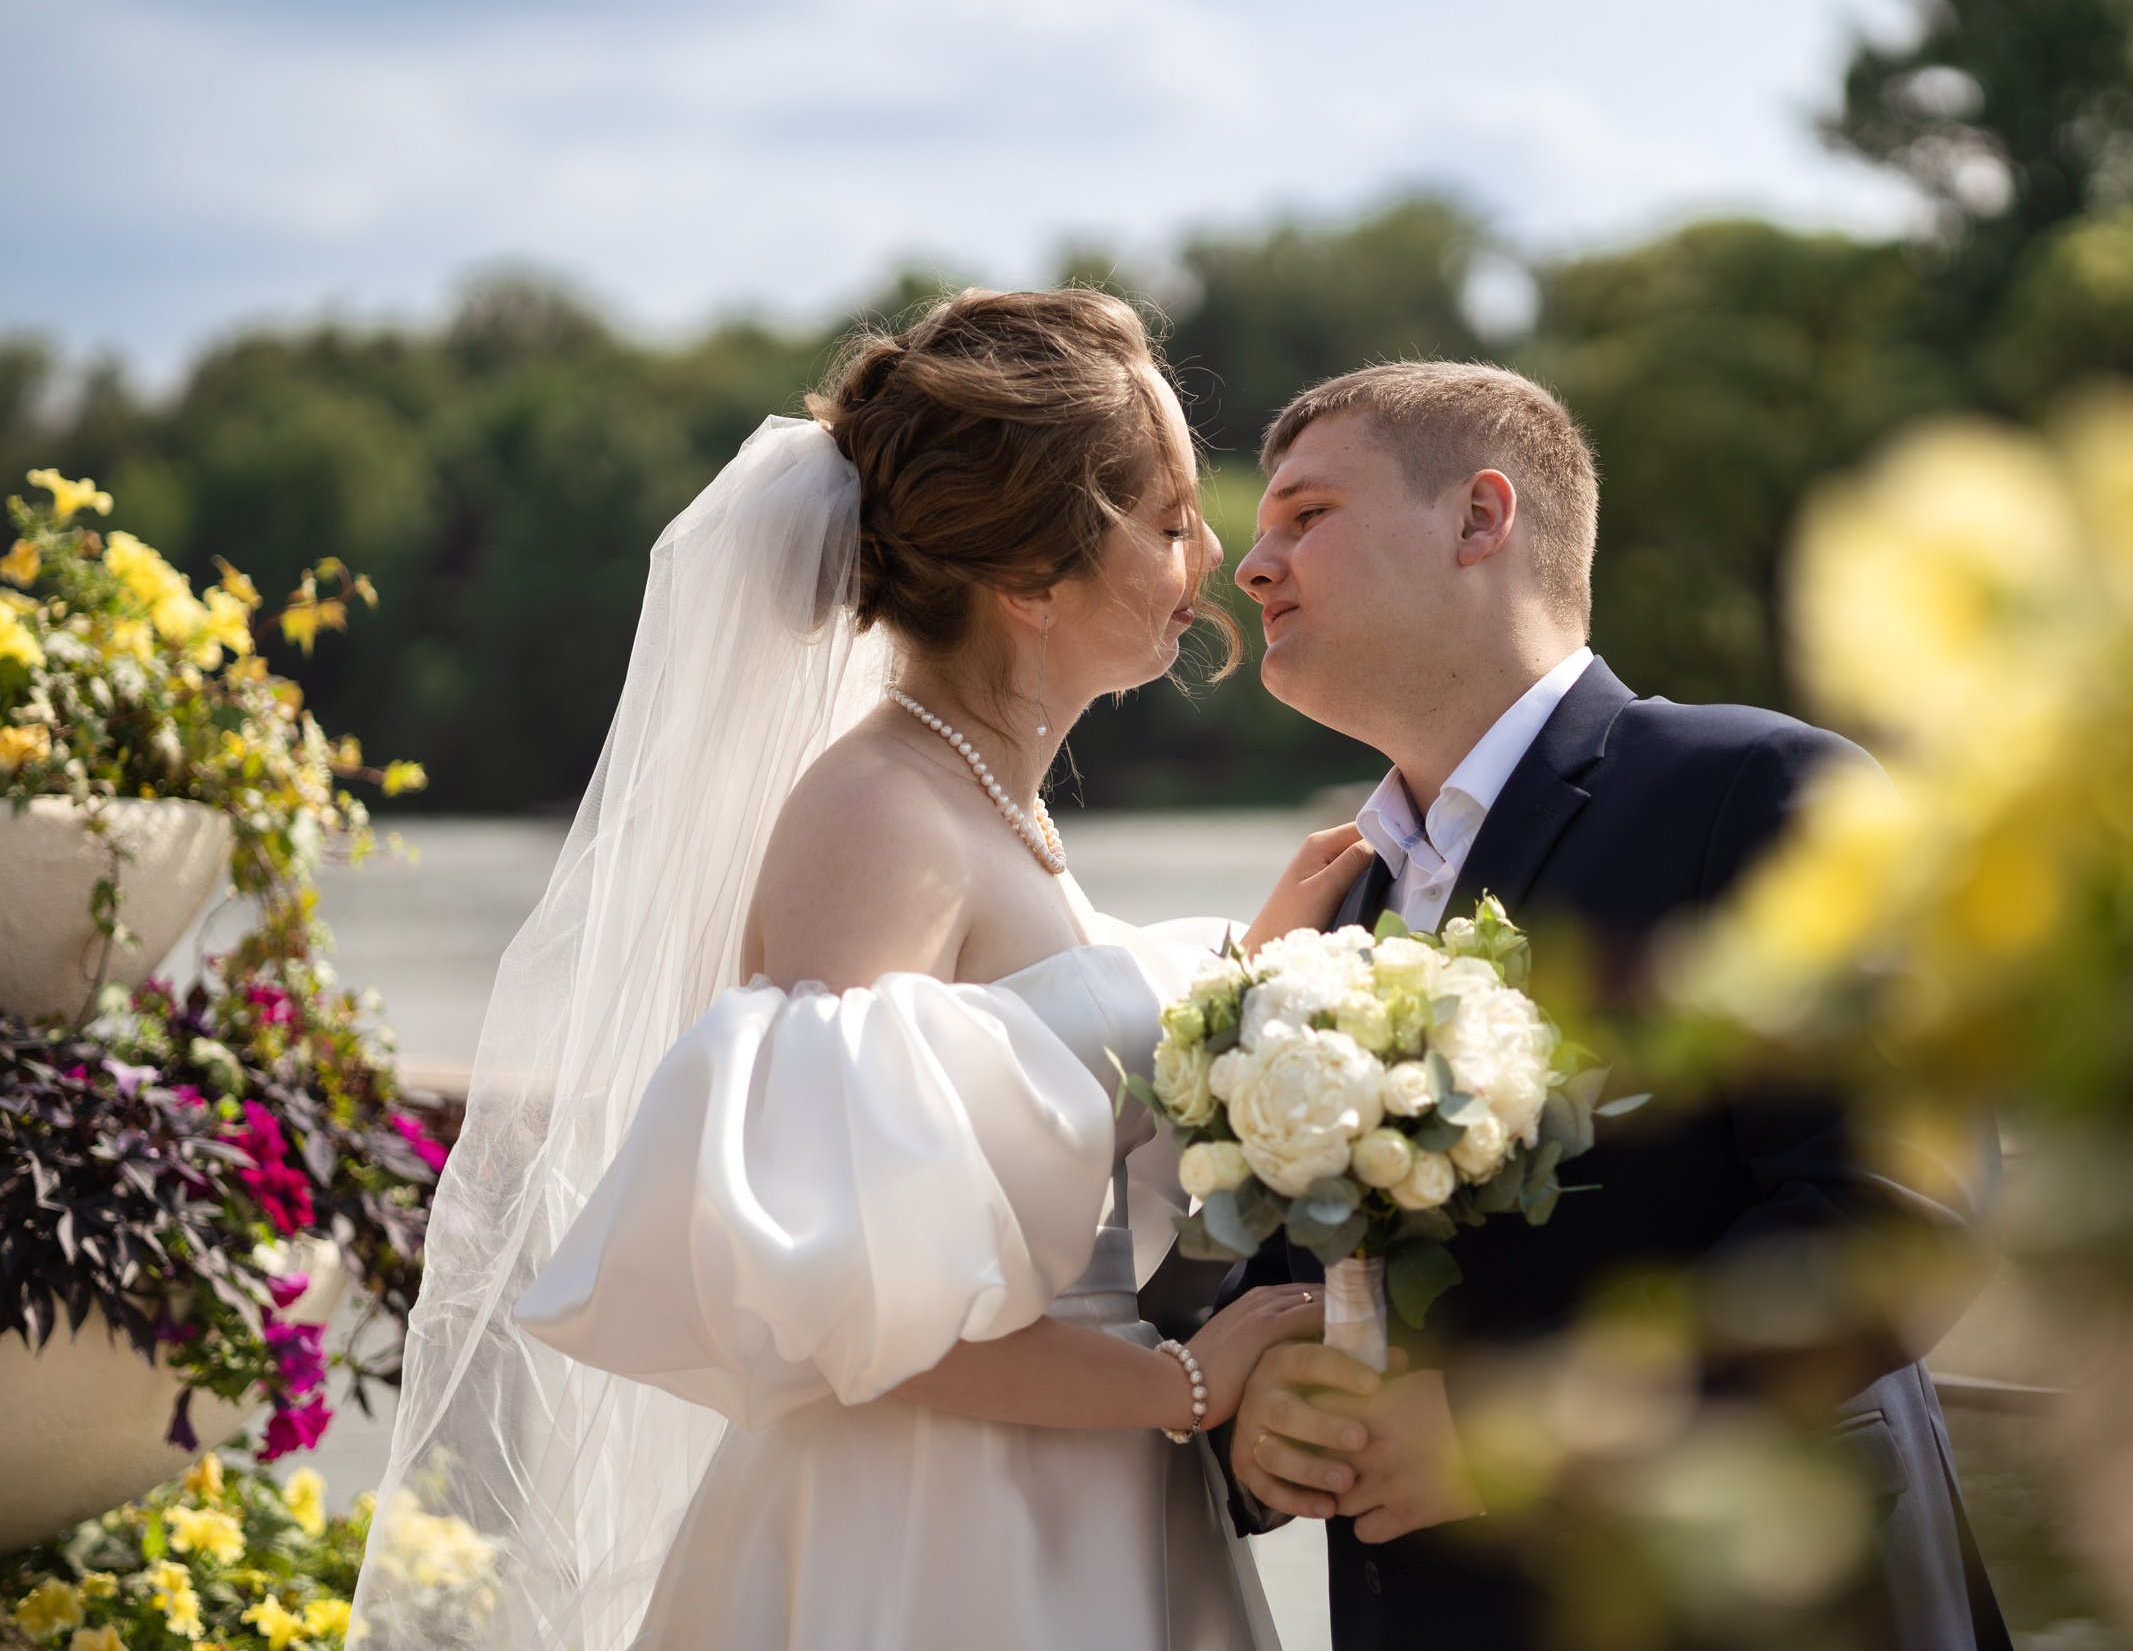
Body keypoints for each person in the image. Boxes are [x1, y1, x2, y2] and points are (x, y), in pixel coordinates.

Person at [352, 289, 1379, 1651]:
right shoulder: (878, 816)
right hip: (933, 1534)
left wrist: (1253, 985)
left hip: (1079, 1486)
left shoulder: (985, 802)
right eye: (1172, 520)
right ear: (1029, 584)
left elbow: (1017, 1119)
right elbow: (844, 1303)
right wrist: (1186, 1387)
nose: (1212, 556)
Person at [1212, 363, 2011, 1651]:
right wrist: (1258, 1410)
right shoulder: (1335, 910)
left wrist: (1515, 1430)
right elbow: (1280, 1258)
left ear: (1482, 518)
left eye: (1305, 515)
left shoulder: (1764, 792)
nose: (1253, 567)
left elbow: (1893, 1219)